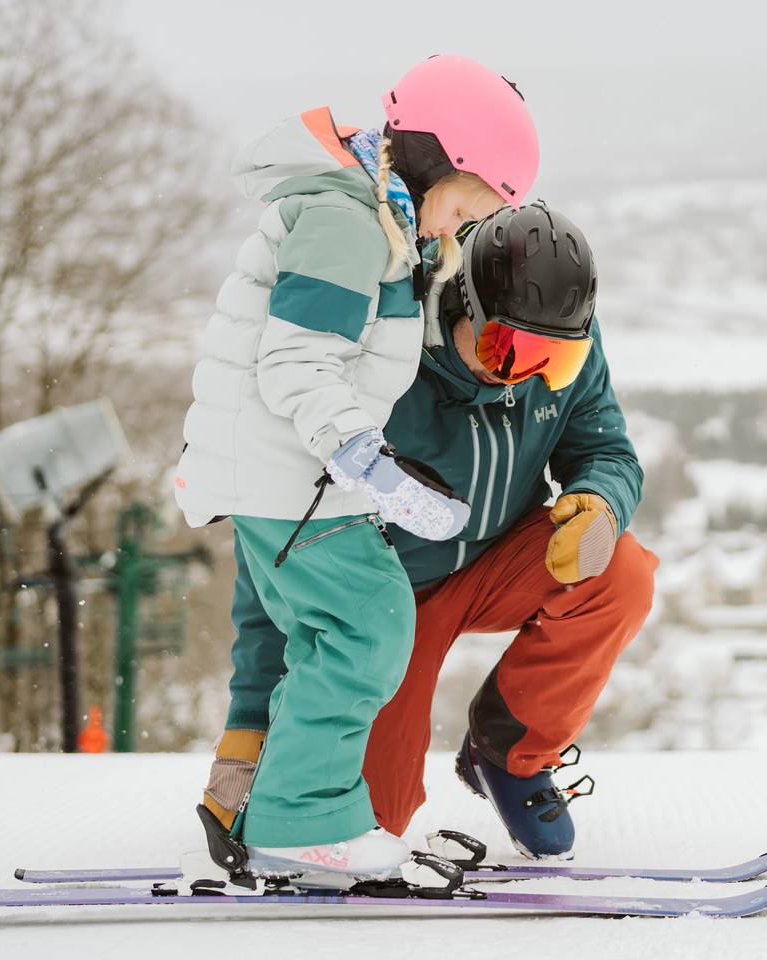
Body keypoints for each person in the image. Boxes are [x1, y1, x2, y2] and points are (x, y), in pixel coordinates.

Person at [173, 54, 537, 882]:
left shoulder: (377, 217)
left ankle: (269, 805)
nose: (456, 230)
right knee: (367, 622)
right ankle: (300, 820)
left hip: (288, 473)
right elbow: (297, 363)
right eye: (466, 206)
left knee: (330, 634)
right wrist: (366, 461)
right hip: (287, 474)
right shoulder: (346, 223)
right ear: (438, 157)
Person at [203, 202, 654, 862]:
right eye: (506, 349)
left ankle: (509, 755)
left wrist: (600, 503)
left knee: (621, 573)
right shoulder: (380, 355)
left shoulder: (558, 337)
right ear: (461, 304)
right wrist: (249, 721)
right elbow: (279, 543)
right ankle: (289, 803)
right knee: (371, 823)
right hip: (386, 600)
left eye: (554, 360)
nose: (528, 372)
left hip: (501, 563)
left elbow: (605, 448)